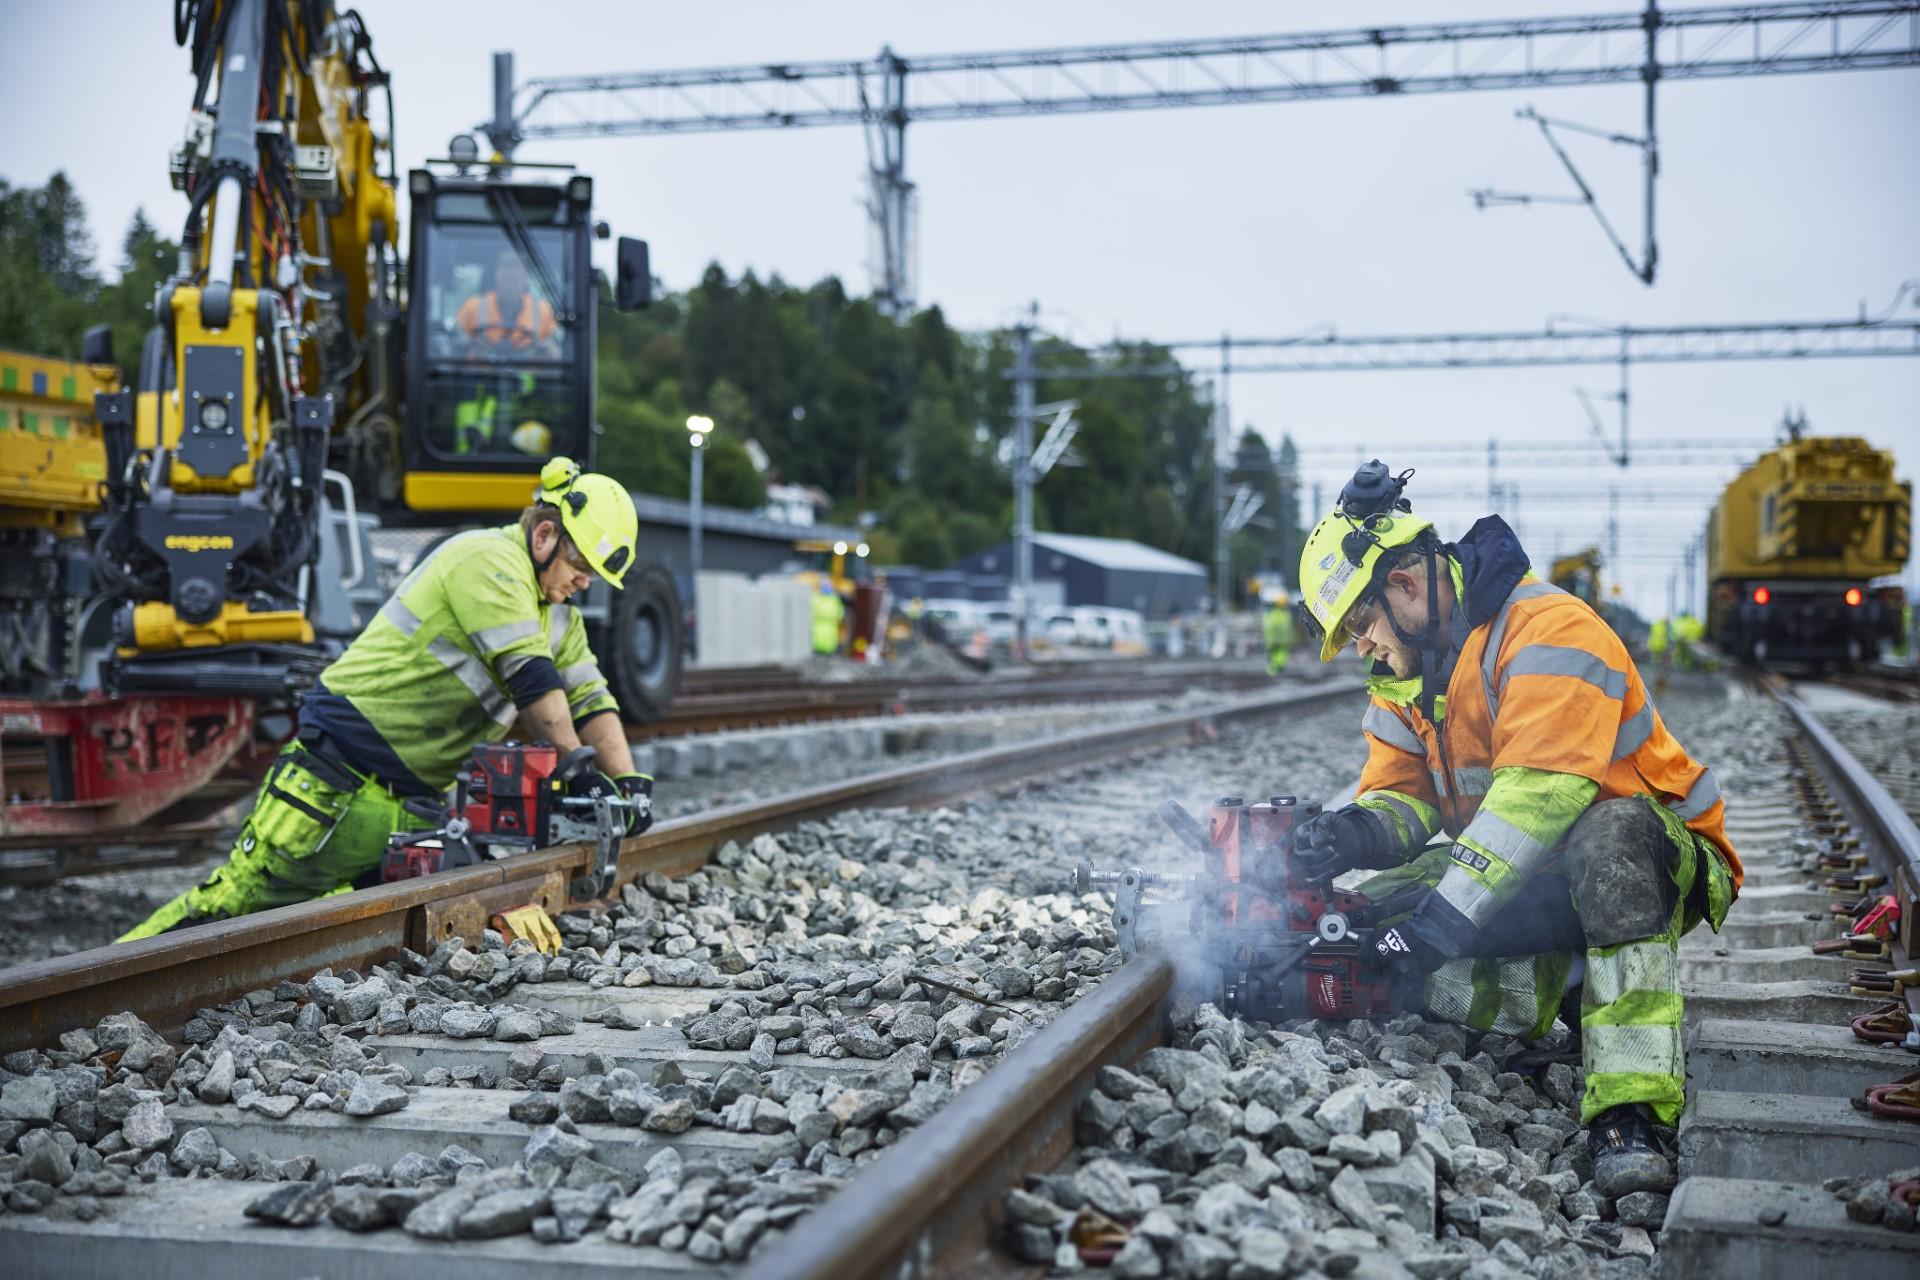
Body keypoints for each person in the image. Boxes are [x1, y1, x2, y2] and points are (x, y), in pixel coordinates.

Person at [1291, 460, 1740, 1199]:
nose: (1362, 648)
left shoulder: (1548, 628)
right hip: (1534, 869)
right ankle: (1567, 982)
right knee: (1378, 913)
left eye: (1361, 626)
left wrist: (1435, 928)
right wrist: (1351, 836)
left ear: (1404, 585)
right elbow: (1404, 800)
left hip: (1655, 861)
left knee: (1606, 841)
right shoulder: (1408, 677)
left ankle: (1631, 1109)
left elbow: (1538, 798)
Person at [121, 458, 654, 940]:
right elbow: (534, 683)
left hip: (411, 804)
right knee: (229, 907)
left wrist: (627, 784)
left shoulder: (560, 616)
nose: (584, 582)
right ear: (544, 536)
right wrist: (580, 770)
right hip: (337, 781)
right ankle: (117, 973)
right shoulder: (487, 561)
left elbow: (590, 699)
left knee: (339, 935)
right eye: (580, 567)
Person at [458, 248, 557, 355]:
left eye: (515, 278)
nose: (511, 272)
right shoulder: (472, 308)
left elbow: (555, 354)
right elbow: (456, 345)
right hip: (479, 371)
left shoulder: (543, 311)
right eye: (506, 277)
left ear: (525, 278)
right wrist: (470, 343)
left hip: (527, 371)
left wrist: (546, 349)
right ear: (496, 274)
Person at [1263, 590, 1295, 674]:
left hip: (1277, 640)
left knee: (1277, 655)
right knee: (1278, 655)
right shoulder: (1284, 614)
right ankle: (1277, 669)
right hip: (1280, 640)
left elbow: (1271, 628)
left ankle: (1276, 669)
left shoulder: (1274, 614)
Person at [811, 580, 844, 656]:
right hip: (819, 627)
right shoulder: (816, 597)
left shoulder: (834, 599)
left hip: (829, 628)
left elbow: (840, 612)